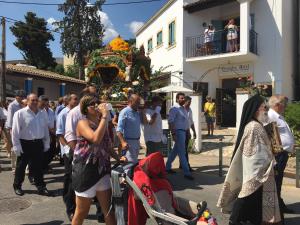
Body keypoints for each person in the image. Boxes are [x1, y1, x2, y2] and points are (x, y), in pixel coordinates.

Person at [217, 95, 282, 225]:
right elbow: (254, 152)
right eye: (264, 107)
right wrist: (271, 161)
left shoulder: (257, 124)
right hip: (256, 170)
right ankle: (234, 221)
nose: (266, 110)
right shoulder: (254, 127)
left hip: (260, 169)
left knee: (256, 200)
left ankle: (251, 220)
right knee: (247, 196)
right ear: (256, 110)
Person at [71, 95, 116, 225]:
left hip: (102, 170)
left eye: (98, 103)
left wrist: (118, 157)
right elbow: (95, 139)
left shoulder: (102, 123)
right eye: (92, 104)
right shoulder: (82, 123)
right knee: (81, 211)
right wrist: (104, 117)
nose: (97, 106)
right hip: (86, 171)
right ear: (85, 109)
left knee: (108, 210)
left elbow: (106, 145)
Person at [12, 93, 50, 196]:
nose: (34, 102)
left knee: (38, 167)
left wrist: (47, 143)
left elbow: (45, 129)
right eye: (32, 100)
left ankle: (41, 186)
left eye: (36, 100)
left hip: (38, 143)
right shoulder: (20, 113)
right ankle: (17, 186)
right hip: (25, 143)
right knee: (21, 167)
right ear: (27, 101)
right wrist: (16, 146)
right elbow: (15, 131)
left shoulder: (43, 113)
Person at [268, 95, 295, 214]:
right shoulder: (270, 116)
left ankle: (278, 204)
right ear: (278, 105)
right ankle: (277, 207)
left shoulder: (278, 116)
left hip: (282, 154)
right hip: (277, 155)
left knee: (278, 180)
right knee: (276, 181)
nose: (286, 107)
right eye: (284, 104)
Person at [56, 94, 78, 221]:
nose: (77, 101)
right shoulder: (63, 114)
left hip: (79, 150)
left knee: (75, 178)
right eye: (74, 99)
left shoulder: (79, 112)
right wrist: (67, 148)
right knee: (69, 178)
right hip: (69, 151)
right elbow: (60, 134)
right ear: (68, 101)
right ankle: (70, 209)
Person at [165, 93, 193, 180]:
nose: (183, 99)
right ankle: (187, 172)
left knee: (175, 151)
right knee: (182, 152)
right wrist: (173, 134)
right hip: (178, 132)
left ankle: (167, 167)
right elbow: (170, 121)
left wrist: (188, 131)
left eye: (184, 98)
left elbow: (186, 122)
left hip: (183, 132)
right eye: (181, 98)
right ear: (177, 99)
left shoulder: (183, 109)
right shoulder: (174, 109)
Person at [117, 94, 142, 164]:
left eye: (139, 102)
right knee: (129, 165)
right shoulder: (124, 112)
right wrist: (123, 142)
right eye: (137, 102)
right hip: (128, 142)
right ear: (130, 101)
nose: (139, 104)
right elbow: (119, 130)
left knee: (134, 163)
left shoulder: (137, 112)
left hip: (137, 141)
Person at [5, 90, 26, 173]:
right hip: (14, 129)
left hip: (23, 130)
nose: (22, 98)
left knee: (22, 148)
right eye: (20, 96)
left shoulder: (24, 104)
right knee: (15, 148)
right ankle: (14, 167)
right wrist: (10, 130)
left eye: (23, 96)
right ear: (16, 97)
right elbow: (10, 119)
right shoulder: (12, 105)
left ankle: (21, 166)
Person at [38, 95, 56, 173]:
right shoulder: (39, 111)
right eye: (44, 103)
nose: (46, 104)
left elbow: (54, 121)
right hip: (45, 133)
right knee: (43, 151)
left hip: (52, 132)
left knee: (52, 151)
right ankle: (42, 167)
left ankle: (45, 164)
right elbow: (44, 124)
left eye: (46, 102)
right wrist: (50, 131)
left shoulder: (51, 111)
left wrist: (54, 130)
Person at [181, 96, 196, 171]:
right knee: (183, 150)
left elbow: (191, 122)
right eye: (189, 102)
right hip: (181, 132)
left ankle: (182, 164)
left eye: (190, 102)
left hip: (187, 132)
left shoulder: (190, 110)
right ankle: (187, 166)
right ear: (185, 101)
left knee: (184, 149)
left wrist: (194, 131)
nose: (190, 104)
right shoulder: (180, 109)